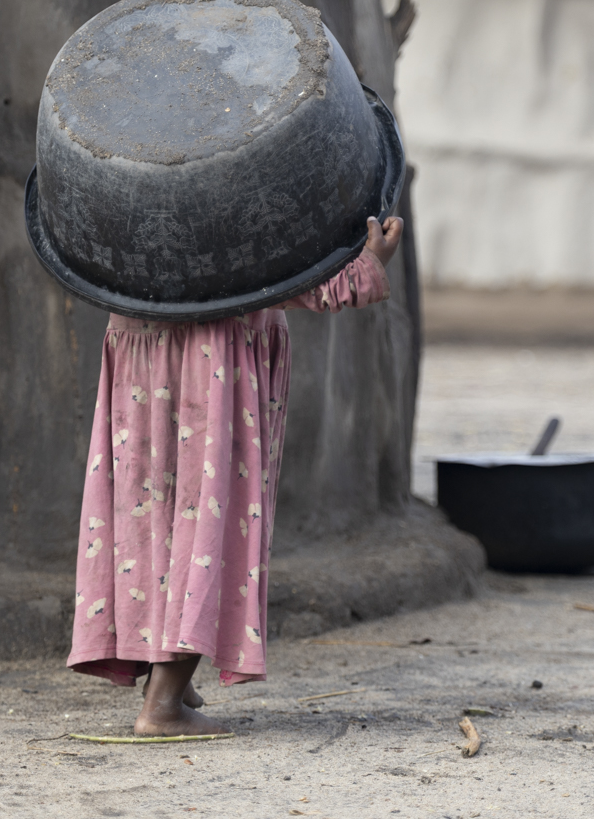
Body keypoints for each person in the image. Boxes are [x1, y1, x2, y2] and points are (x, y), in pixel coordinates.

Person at [68, 215, 404, 736]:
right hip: (216, 364)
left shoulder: (137, 170)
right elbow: (294, 279)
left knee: (149, 518)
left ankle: (166, 665)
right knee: (208, 524)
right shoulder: (234, 172)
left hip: (140, 349)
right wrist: (366, 267)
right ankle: (163, 706)